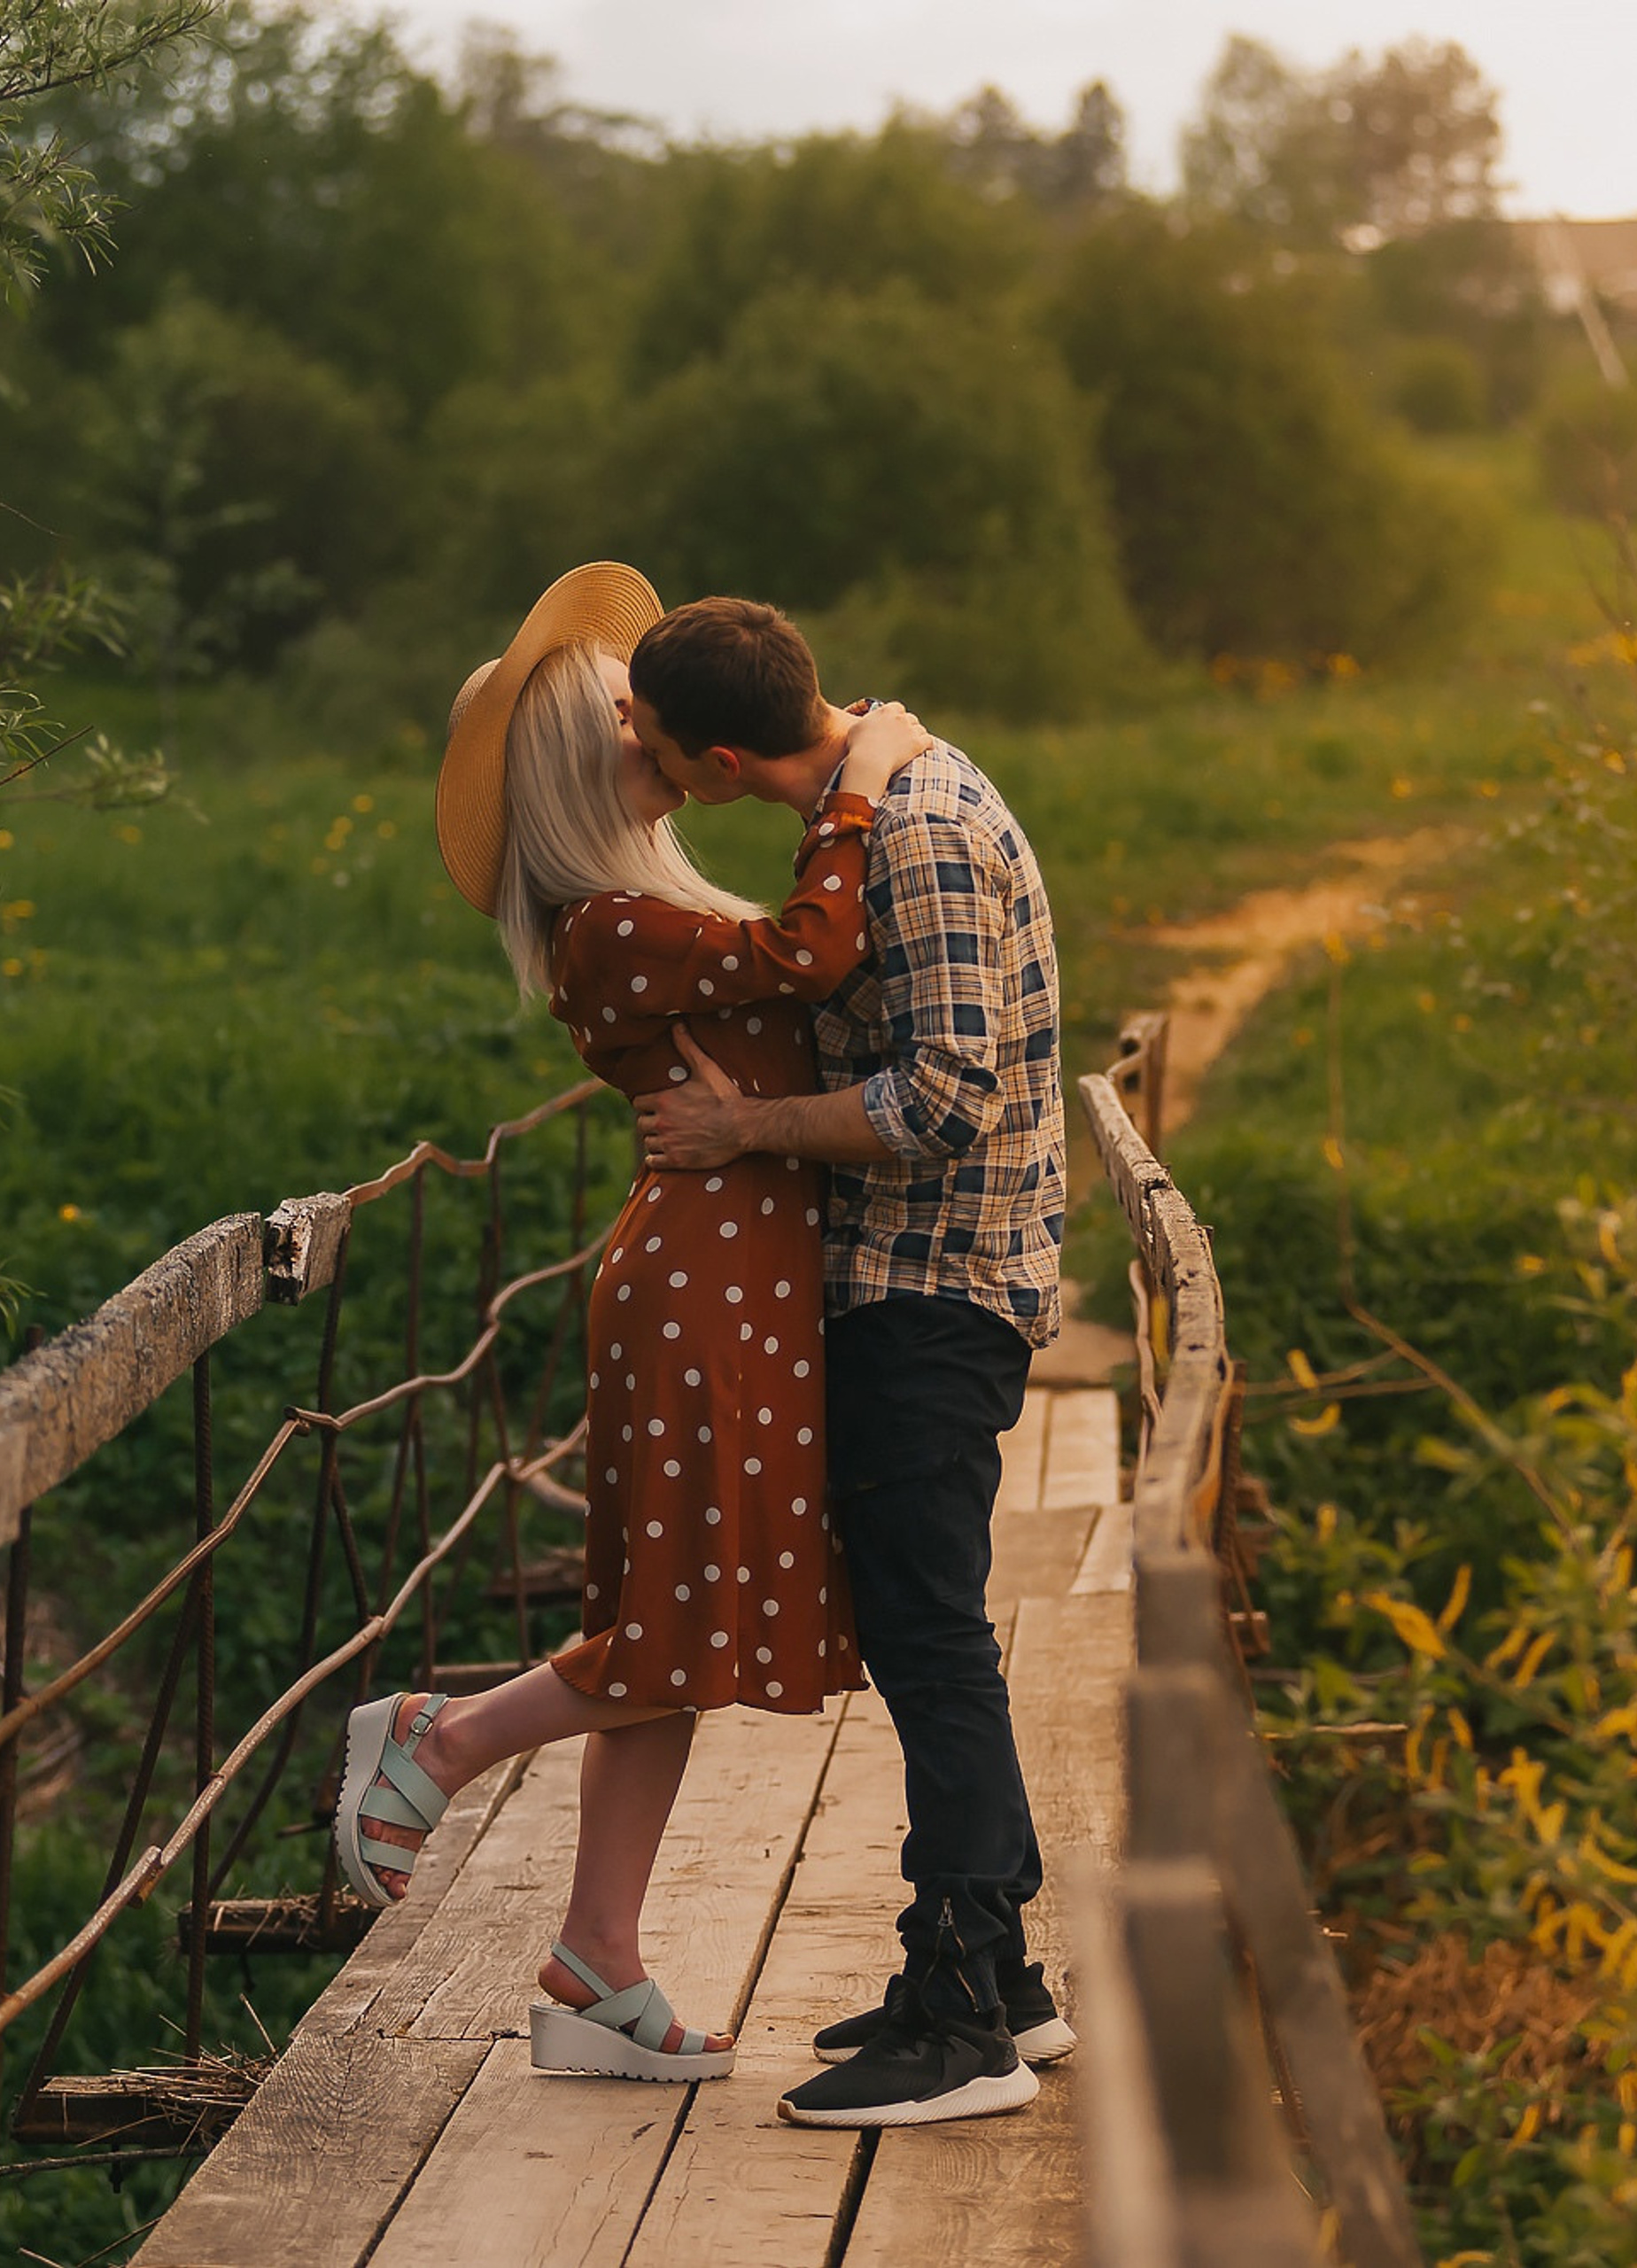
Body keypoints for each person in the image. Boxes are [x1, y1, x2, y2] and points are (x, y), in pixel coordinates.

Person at [333, 563, 928, 2086]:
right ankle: (440, 1743)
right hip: (701, 1293)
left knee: (683, 1616)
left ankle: (600, 1957)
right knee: (680, 1624)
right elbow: (815, 954)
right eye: (621, 717)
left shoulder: (650, 905)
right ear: (578, 766)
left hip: (739, 1279)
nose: (644, 724)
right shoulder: (608, 924)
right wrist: (862, 780)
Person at [628, 595, 1071, 2131]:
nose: (654, 764)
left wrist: (742, 1130)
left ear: (726, 751)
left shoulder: (917, 827)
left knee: (929, 1635)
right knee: (930, 1633)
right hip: (922, 1282)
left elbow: (948, 1091)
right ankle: (998, 1978)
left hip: (932, 1290)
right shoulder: (881, 796)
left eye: (664, 745)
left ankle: (963, 2029)